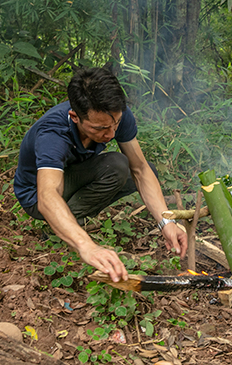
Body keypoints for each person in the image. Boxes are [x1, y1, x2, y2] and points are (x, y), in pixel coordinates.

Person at [13, 67, 187, 282]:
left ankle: (70, 223)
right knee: (116, 165)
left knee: (143, 169)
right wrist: (87, 246)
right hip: (36, 195)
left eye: (115, 124)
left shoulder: (113, 116)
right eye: (100, 129)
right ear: (74, 117)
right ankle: (67, 228)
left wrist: (166, 222)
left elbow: (140, 170)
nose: (111, 134)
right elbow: (48, 195)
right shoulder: (53, 133)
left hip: (73, 176)